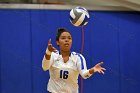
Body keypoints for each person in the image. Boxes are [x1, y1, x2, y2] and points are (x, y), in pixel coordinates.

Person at [42, 28, 106, 93]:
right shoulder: (53, 55)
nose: (66, 40)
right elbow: (45, 67)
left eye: (69, 38)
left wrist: (92, 70)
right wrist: (48, 52)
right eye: (63, 38)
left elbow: (84, 75)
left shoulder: (78, 57)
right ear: (57, 42)